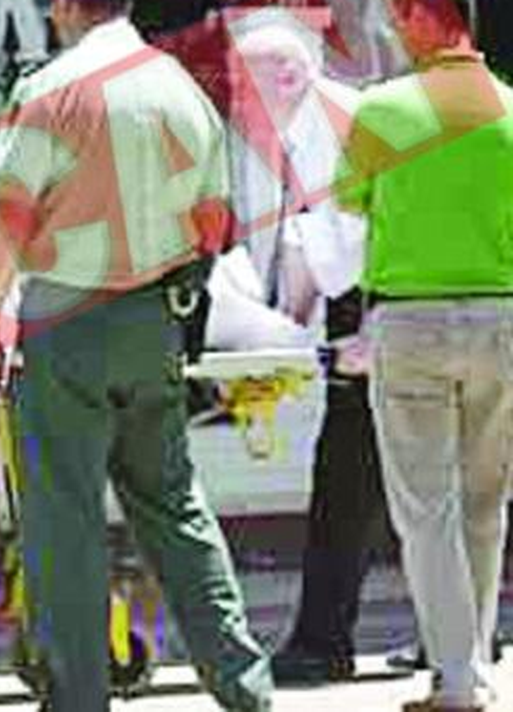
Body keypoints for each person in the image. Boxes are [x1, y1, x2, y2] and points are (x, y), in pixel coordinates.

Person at [0, 1, 273, 710]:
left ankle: (78, 697)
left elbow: (8, 213)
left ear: (67, 7)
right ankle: (244, 687)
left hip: (64, 324)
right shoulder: (180, 88)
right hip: (153, 322)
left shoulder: (52, 89)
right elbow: (212, 223)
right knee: (174, 506)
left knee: (64, 518)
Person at [337, 0, 513, 709]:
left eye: (396, 16)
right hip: (503, 318)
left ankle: (457, 678)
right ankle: (472, 665)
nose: (392, 28)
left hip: (411, 321)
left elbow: (351, 201)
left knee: (426, 510)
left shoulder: (383, 109)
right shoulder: (509, 108)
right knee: (485, 504)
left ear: (420, 15)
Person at [207, 18, 394, 684]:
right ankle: (440, 641)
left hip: (389, 299)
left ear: (288, 76)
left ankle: (322, 644)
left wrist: (368, 327)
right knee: (399, 478)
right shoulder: (304, 126)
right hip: (371, 302)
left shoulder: (346, 126)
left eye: (243, 80)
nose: (234, 94)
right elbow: (307, 238)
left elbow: (368, 233)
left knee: (351, 475)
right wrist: (282, 330)